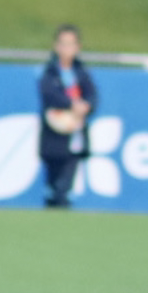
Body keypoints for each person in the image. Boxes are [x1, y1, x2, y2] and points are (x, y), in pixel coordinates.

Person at [36, 24, 98, 211]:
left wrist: (86, 105)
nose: (66, 49)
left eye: (70, 44)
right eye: (63, 44)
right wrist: (71, 104)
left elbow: (92, 95)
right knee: (52, 184)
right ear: (56, 46)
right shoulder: (50, 72)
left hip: (75, 133)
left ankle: (62, 204)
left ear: (77, 47)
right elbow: (49, 93)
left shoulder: (81, 72)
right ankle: (53, 203)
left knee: (65, 183)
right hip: (53, 135)